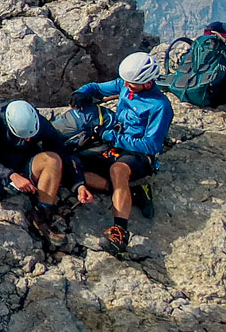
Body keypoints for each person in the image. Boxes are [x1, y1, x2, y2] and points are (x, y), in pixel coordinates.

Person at [0, 99, 80, 258]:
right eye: (23, 137)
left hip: (24, 165)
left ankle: (43, 214)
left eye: (29, 137)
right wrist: (11, 175)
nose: (27, 140)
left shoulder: (34, 119)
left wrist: (78, 184)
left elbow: (59, 149)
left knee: (53, 160)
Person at [73, 51, 172, 253]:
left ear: (146, 83)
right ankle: (132, 193)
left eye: (131, 83)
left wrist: (112, 137)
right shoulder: (126, 84)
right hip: (113, 144)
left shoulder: (160, 107)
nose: (125, 86)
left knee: (118, 170)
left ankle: (120, 232)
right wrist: (82, 92)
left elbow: (151, 145)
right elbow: (97, 89)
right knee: (73, 165)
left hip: (138, 155)